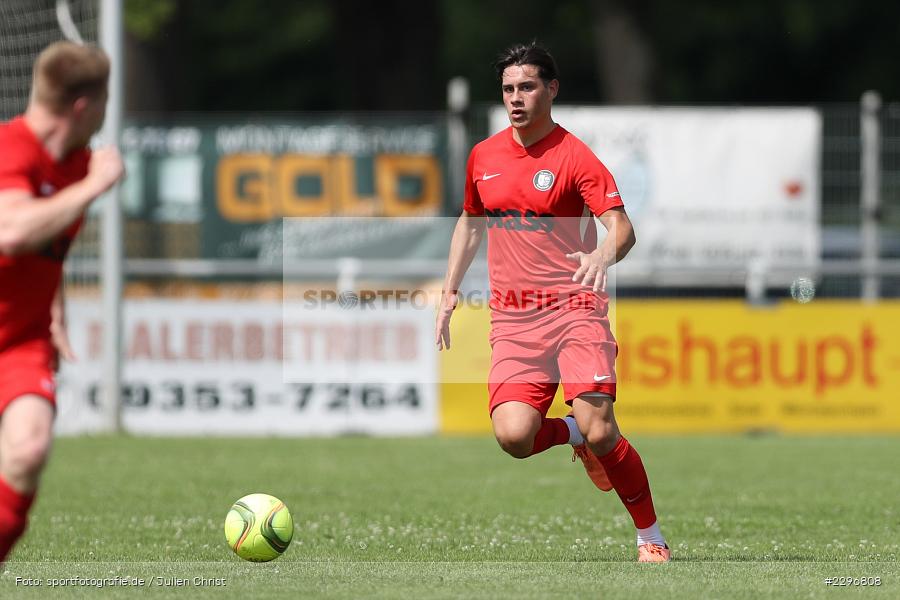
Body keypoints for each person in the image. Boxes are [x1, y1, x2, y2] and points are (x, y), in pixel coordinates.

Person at [436, 42, 670, 562]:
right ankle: (570, 434)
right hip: (515, 319)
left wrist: (602, 255)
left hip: (574, 310)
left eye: (527, 87)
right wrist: (450, 288)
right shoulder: (484, 156)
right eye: (508, 89)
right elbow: (470, 222)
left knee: (602, 428)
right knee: (514, 436)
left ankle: (650, 536)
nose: (515, 98)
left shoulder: (574, 156)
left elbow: (622, 228)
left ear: (551, 89)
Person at [0, 41, 124, 563]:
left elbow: (46, 240)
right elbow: (11, 231)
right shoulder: (11, 148)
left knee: (29, 449)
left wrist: (53, 304)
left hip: (20, 341)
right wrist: (94, 187)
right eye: (106, 100)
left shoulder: (76, 163)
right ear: (83, 106)